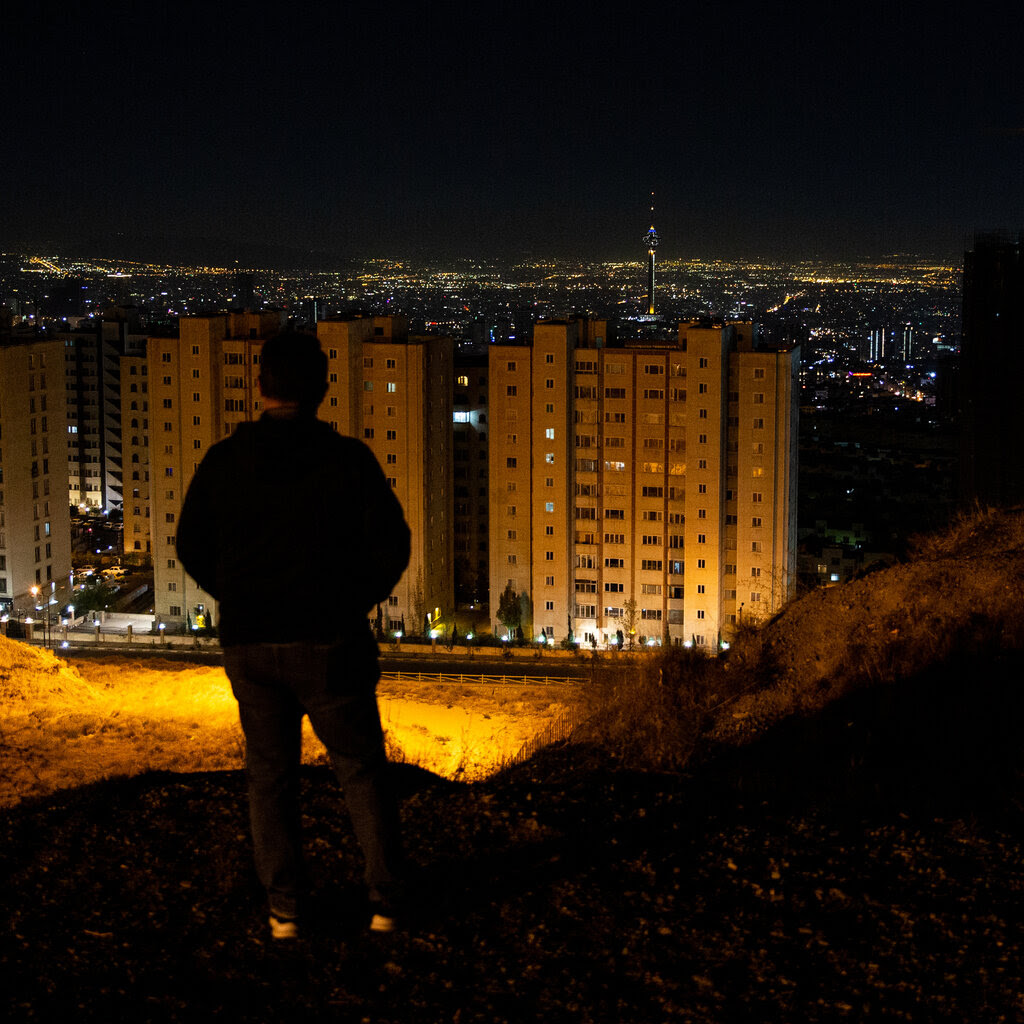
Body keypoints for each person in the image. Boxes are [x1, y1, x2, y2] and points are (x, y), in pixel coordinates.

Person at [176, 330, 411, 941]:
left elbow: (190, 544)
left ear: (260, 386)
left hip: (251, 640)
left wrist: (238, 594)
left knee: (270, 776)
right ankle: (386, 905)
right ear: (323, 388)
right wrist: (352, 599)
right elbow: (393, 542)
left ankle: (286, 912)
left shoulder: (224, 461)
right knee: (360, 769)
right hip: (329, 637)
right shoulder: (348, 459)